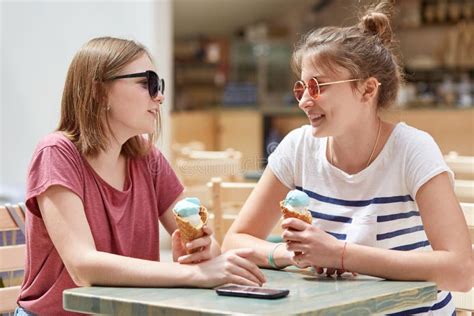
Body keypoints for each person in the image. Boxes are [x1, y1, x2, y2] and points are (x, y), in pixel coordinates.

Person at [222, 2, 473, 315]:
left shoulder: (413, 150)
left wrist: (340, 255)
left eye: (318, 86)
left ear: (367, 90)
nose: (303, 101)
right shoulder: (297, 148)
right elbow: (235, 241)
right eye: (301, 86)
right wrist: (295, 254)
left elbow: (460, 271)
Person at [17, 37, 265, 316]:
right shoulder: (56, 154)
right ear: (99, 91)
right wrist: (196, 275)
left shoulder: (148, 160)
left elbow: (211, 250)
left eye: (158, 85)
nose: (158, 96)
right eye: (146, 82)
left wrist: (202, 250)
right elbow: (83, 266)